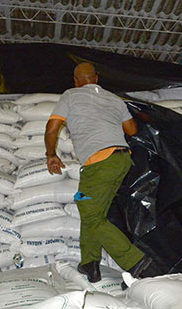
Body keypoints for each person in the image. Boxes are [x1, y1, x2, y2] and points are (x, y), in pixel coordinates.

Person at [45, 62, 152, 284]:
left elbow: (52, 128)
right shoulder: (114, 99)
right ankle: (90, 264)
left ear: (76, 81)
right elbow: (131, 130)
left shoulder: (71, 95)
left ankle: (134, 261)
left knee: (92, 215)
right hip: (120, 161)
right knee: (89, 208)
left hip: (99, 163)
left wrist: (51, 155)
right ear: (96, 78)